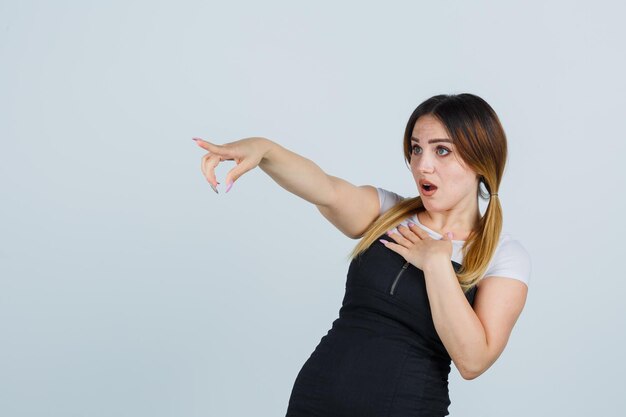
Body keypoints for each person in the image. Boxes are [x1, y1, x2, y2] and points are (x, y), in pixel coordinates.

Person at [193, 93, 531, 417]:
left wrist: (437, 263)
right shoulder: (389, 212)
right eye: (416, 149)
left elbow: (473, 360)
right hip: (315, 401)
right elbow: (324, 189)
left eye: (442, 151)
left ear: (480, 160)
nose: (422, 165)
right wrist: (264, 150)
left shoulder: (503, 256)